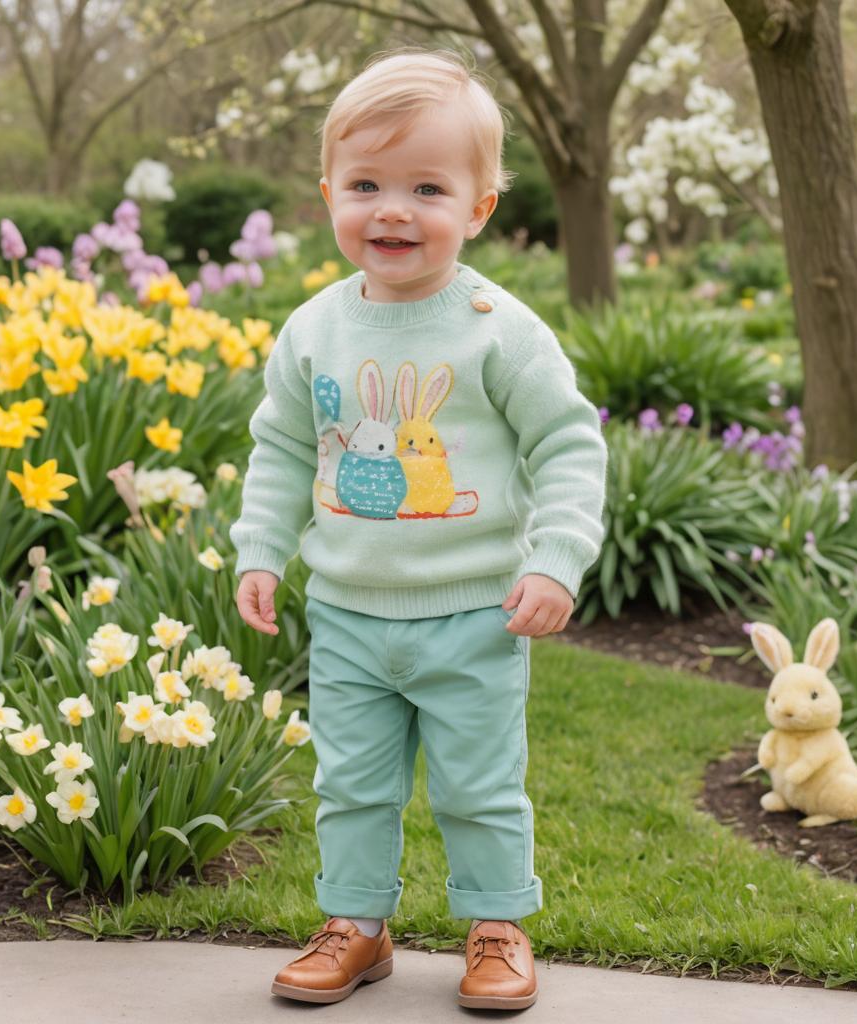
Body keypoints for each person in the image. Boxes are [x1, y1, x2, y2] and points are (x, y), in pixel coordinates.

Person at [229, 46, 607, 1011]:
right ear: (328, 195)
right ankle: (357, 924)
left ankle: (495, 927)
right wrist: (262, 549)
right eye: (367, 184)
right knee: (351, 786)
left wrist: (557, 558)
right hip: (351, 614)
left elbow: (568, 444)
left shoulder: (496, 327)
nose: (393, 209)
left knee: (479, 787)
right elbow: (277, 447)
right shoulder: (314, 328)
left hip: (475, 614)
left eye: (427, 187)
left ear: (479, 207)